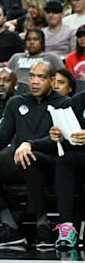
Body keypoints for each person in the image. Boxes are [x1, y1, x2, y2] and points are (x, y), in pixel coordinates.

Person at [0, 61, 68, 248]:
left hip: (51, 162)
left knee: (30, 158)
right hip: (19, 159)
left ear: (53, 81)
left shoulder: (63, 103)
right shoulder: (16, 102)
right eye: (32, 76)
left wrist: (30, 144)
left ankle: (43, 227)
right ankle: (9, 226)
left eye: (41, 77)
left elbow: (60, 139)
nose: (35, 81)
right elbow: (1, 137)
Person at [49, 88, 85, 249]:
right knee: (66, 160)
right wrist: (61, 137)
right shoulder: (77, 101)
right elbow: (72, 140)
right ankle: (67, 227)